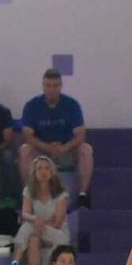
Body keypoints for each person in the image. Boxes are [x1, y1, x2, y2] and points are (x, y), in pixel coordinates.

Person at [20, 69, 94, 209]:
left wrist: (64, 147)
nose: (52, 89)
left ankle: (83, 194)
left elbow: (80, 135)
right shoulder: (32, 106)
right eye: (48, 86)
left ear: (60, 86)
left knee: (86, 149)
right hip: (42, 150)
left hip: (67, 149)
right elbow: (28, 136)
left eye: (55, 86)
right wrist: (47, 147)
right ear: (43, 86)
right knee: (25, 150)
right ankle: (28, 193)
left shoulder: (72, 105)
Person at [13, 155, 71, 265]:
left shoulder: (61, 194)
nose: (43, 171)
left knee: (27, 227)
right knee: (33, 240)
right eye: (39, 168)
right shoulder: (29, 190)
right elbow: (25, 213)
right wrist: (35, 219)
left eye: (46, 168)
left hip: (57, 234)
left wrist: (38, 224)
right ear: (34, 173)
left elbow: (57, 224)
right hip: (37, 230)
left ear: (52, 172)